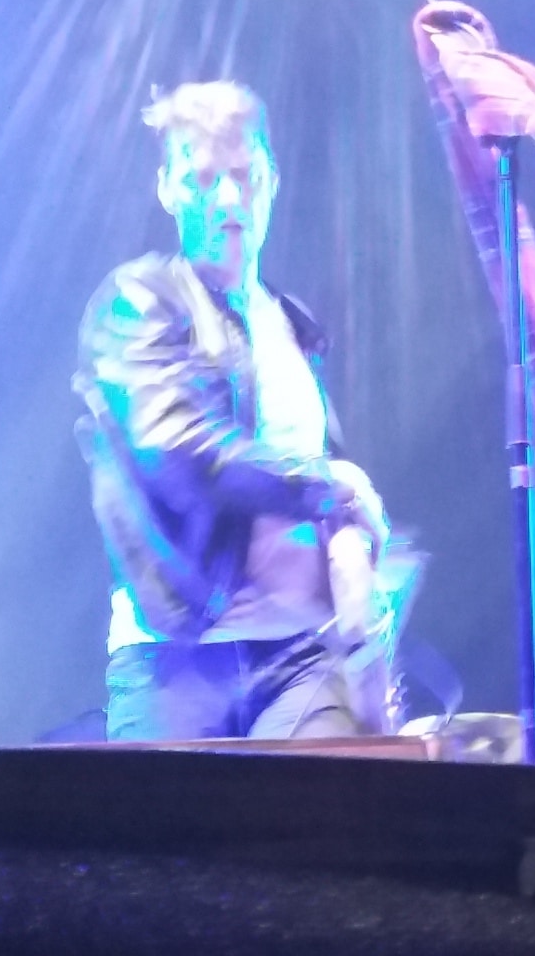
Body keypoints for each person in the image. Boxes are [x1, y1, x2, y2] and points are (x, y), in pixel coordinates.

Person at [74, 81, 391, 742]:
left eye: (244, 176)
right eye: (202, 179)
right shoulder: (138, 301)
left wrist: (360, 581)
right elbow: (180, 454)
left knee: (333, 808)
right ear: (167, 188)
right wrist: (328, 484)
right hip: (176, 661)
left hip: (301, 657)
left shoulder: (295, 324)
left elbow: (325, 472)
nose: (226, 198)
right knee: (165, 818)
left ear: (271, 182)